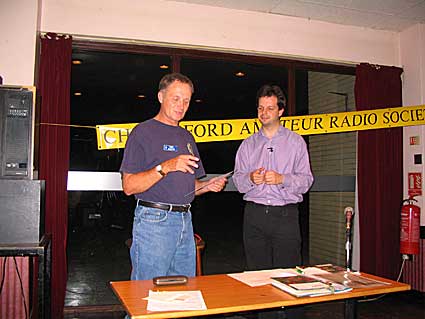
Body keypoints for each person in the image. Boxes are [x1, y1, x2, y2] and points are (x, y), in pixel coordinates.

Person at [120, 72, 227, 281]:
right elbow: (129, 186)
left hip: (185, 221)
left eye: (186, 101)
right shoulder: (142, 132)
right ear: (161, 97)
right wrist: (166, 166)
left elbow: (188, 187)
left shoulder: (187, 136)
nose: (181, 105)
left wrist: (207, 185)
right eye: (176, 98)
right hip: (154, 221)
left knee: (182, 294)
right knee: (146, 295)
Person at [233, 84, 313, 319]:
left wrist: (282, 179)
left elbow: (306, 180)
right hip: (254, 216)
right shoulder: (247, 144)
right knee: (258, 278)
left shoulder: (296, 142)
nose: (264, 113)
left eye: (269, 108)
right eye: (260, 108)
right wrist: (250, 178)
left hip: (285, 216)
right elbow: (238, 182)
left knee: (290, 278)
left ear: (281, 111)